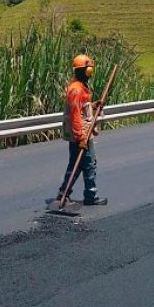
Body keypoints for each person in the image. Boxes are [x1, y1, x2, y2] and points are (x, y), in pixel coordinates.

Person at [56, 54, 108, 206]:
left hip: (84, 131)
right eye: (88, 70)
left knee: (77, 164)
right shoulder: (76, 90)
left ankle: (62, 193)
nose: (90, 74)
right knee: (89, 164)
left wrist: (93, 105)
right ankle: (91, 196)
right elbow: (75, 116)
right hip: (81, 133)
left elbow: (82, 109)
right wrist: (81, 137)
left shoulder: (80, 87)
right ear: (83, 71)